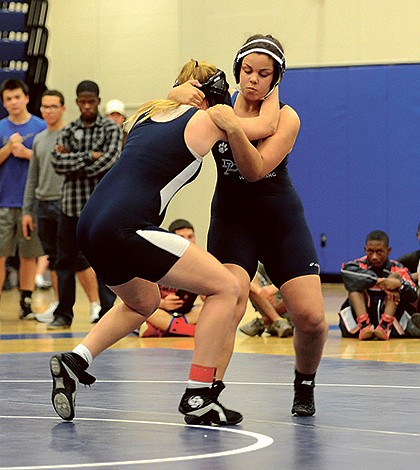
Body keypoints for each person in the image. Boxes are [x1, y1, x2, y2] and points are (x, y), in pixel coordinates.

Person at [48, 59, 276, 426]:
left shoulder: (145, 117)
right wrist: (274, 78)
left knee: (144, 301)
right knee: (226, 287)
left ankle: (76, 360)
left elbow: (169, 101)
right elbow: (266, 125)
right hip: (126, 225)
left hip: (90, 224)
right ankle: (199, 395)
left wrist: (176, 93)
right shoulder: (205, 120)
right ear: (211, 95)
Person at [169, 34, 328, 416]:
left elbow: (255, 170)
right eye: (246, 70)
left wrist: (234, 125)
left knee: (311, 319)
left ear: (276, 79)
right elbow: (172, 102)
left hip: (279, 221)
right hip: (232, 219)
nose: (253, 79)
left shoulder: (286, 117)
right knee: (228, 301)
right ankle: (205, 390)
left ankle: (304, 382)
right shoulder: (219, 104)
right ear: (237, 68)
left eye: (263, 74)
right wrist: (181, 93)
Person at [21, 89, 104, 324]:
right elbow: (33, 177)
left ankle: (96, 304)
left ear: (63, 108)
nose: (48, 111)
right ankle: (60, 304)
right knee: (56, 258)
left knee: (80, 259)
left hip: (67, 203)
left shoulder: (70, 135)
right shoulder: (39, 139)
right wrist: (28, 210)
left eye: (53, 106)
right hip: (43, 204)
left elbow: (74, 166)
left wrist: (76, 159)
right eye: (45, 107)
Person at [47, 80, 122, 329]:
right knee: (64, 261)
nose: (87, 106)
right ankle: (63, 313)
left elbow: (111, 161)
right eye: (83, 101)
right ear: (77, 102)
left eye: (92, 101)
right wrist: (90, 156)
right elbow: (57, 163)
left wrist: (75, 160)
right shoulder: (68, 130)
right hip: (70, 207)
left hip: (100, 208)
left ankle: (108, 314)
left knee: (105, 262)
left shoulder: (110, 129)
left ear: (98, 101)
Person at [0, 78, 46, 318]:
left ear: (26, 98)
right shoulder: (1, 128)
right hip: (3, 201)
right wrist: (8, 149)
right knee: (1, 253)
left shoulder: (40, 127)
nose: (14, 102)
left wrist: (26, 153)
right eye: (8, 99)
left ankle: (26, 300)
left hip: (31, 202)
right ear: (4, 103)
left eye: (17, 97)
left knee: (29, 254)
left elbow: (46, 161)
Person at [340, 230, 418, 340]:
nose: (374, 257)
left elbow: (413, 294)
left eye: (379, 252)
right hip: (358, 321)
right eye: (370, 251)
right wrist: (379, 281)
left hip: (394, 324)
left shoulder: (397, 268)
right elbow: (345, 273)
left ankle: (385, 326)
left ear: (388, 250)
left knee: (395, 283)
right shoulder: (356, 265)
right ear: (365, 250)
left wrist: (399, 285)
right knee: (354, 289)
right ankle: (364, 325)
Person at [141, 219, 203, 338]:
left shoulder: (200, 263)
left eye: (190, 237)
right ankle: (188, 330)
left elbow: (209, 297)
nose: (187, 241)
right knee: (148, 313)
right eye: (181, 237)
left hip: (185, 313)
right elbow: (142, 298)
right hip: (161, 310)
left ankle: (171, 328)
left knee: (208, 308)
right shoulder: (155, 262)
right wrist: (162, 303)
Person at [240, 262, 294, 337]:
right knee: (247, 275)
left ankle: (264, 321)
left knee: (296, 288)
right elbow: (245, 276)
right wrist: (261, 292)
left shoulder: (296, 258)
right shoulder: (261, 263)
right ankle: (278, 320)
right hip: (267, 302)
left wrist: (276, 288)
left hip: (292, 311)